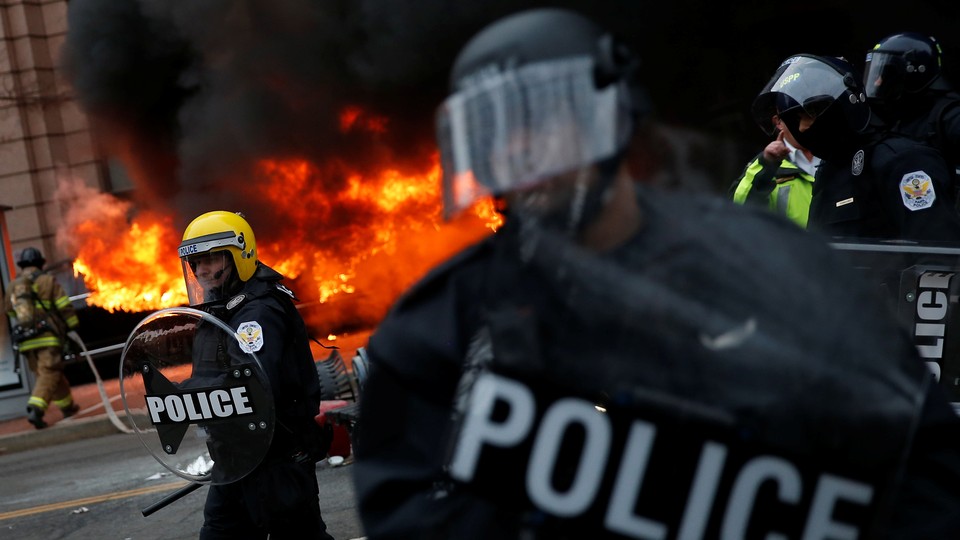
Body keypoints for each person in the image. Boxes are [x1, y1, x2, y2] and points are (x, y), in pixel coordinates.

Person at [352, 8, 960, 539]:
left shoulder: (768, 261)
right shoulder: (437, 327)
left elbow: (919, 456)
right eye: (509, 140)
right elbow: (405, 504)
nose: (536, 161)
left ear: (615, 122)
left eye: (557, 128)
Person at [177, 210, 335, 540]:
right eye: (196, 263)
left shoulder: (259, 313)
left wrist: (186, 393)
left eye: (211, 258)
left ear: (241, 253)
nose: (203, 270)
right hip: (234, 462)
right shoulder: (218, 309)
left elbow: (252, 386)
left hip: (277, 462)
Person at [753, 53, 960, 242]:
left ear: (840, 106)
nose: (802, 127)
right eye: (794, 119)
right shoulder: (829, 171)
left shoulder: (902, 162)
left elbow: (937, 259)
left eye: (809, 113)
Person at [863, 32, 960, 185]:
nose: (877, 82)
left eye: (885, 72)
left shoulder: (951, 117)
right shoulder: (896, 118)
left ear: (915, 73)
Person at [4, 246, 80, 429]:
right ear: (40, 263)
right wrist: (72, 325)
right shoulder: (48, 281)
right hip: (48, 337)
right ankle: (35, 409)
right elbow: (64, 306)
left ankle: (68, 407)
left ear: (23, 265)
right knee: (49, 372)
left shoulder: (14, 285)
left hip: (26, 340)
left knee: (51, 373)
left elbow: (9, 310)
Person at [728, 114, 819, 228]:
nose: (809, 123)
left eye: (813, 115)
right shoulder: (764, 165)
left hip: (838, 244)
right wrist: (767, 164)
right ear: (778, 122)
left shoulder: (840, 156)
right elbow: (741, 210)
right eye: (798, 116)